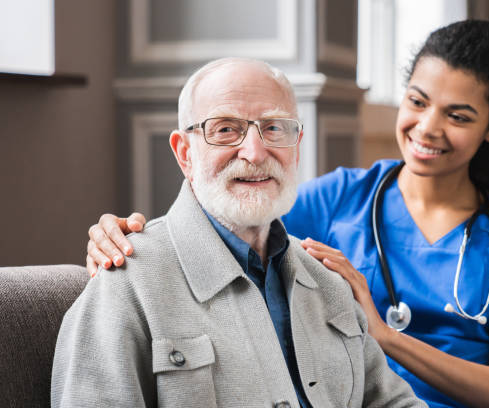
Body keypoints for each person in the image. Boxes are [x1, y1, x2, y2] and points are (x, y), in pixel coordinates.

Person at [85, 21, 489, 407]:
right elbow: (228, 219)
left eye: (458, 116)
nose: (427, 128)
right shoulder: (339, 199)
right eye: (417, 101)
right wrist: (127, 240)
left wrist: (384, 335)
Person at [52, 58, 426, 408]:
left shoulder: (328, 281)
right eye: (226, 130)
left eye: (274, 128)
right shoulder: (127, 283)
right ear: (184, 153)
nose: (255, 152)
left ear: (296, 148)